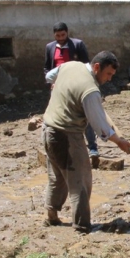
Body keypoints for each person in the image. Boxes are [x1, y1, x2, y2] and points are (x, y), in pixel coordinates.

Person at [42, 51, 130, 233]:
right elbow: (100, 126)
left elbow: (49, 76)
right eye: (108, 74)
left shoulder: (70, 65)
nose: (109, 79)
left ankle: (51, 216)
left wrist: (57, 85)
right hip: (67, 136)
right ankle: (82, 226)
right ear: (97, 67)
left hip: (48, 129)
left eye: (112, 75)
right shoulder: (90, 91)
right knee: (81, 181)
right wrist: (119, 141)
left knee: (57, 176)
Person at [44, 22, 99, 161]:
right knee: (58, 116)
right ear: (54, 35)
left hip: (76, 86)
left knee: (84, 115)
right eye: (58, 36)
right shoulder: (50, 47)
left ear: (67, 33)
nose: (61, 38)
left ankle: (92, 147)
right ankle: (65, 148)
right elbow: (47, 68)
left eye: (63, 35)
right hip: (57, 87)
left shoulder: (77, 45)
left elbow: (86, 65)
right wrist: (52, 82)